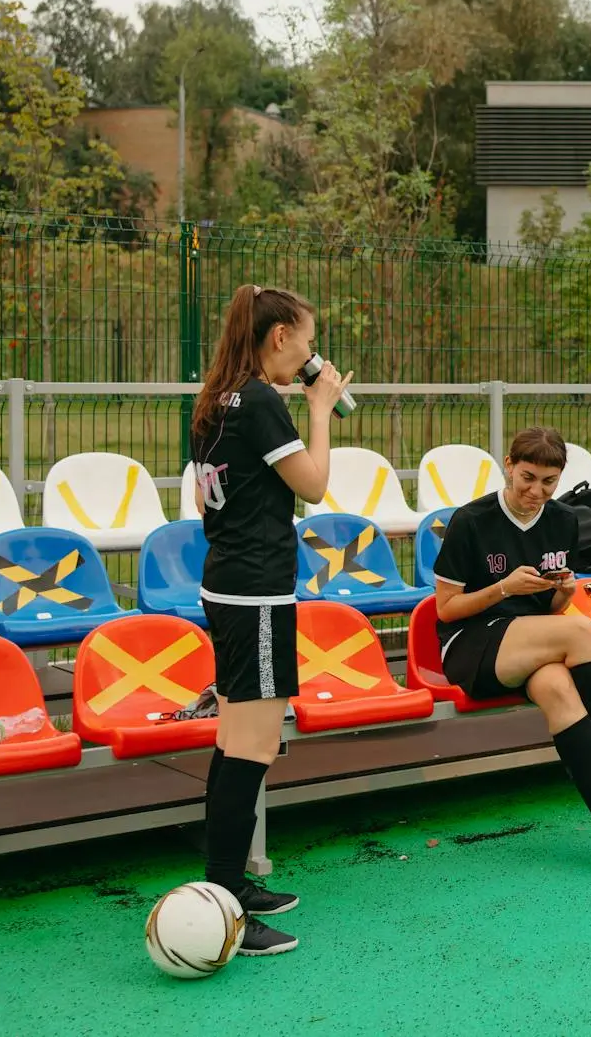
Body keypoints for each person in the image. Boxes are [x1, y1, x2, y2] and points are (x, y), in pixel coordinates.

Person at [189, 284, 351, 955]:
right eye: (308, 341)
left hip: (227, 583)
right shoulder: (259, 400)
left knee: (234, 741)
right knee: (251, 747)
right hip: (255, 592)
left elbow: (209, 504)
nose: (311, 356)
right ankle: (226, 900)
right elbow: (313, 485)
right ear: (279, 334)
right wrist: (319, 409)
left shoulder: (213, 398)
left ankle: (228, 885)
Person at [431, 427, 591, 880]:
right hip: (472, 641)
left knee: (558, 688)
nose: (536, 491)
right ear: (508, 465)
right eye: (527, 477)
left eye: (548, 482)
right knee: (581, 631)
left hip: (531, 638)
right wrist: (502, 587)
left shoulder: (564, 520)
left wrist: (563, 591)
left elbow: (548, 608)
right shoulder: (470, 520)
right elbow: (446, 609)